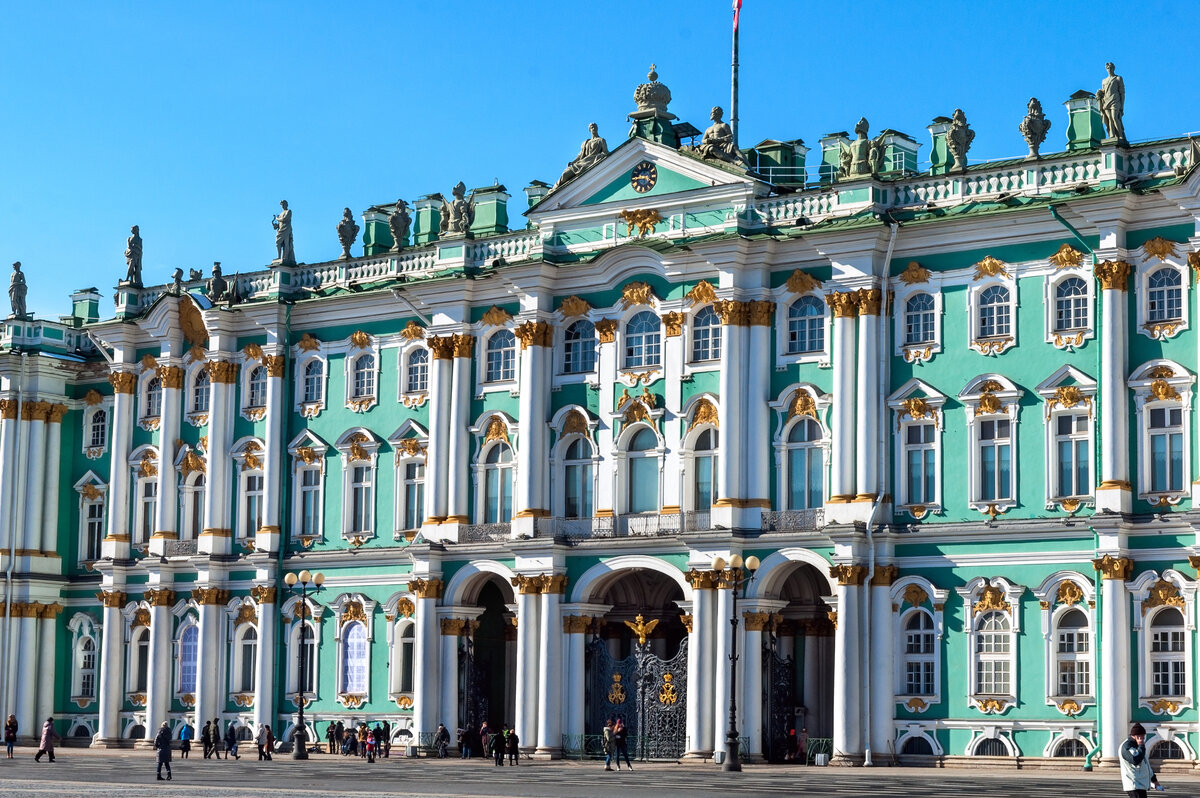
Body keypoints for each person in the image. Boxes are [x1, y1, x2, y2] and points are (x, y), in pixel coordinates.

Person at [1120, 723, 1162, 797]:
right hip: (1133, 783)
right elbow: (1136, 761)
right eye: (1142, 736)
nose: (1143, 738)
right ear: (1136, 736)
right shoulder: (1127, 746)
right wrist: (1141, 746)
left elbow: (1146, 765)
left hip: (1140, 784)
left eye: (1143, 736)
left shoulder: (1139, 746)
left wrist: (1154, 781)